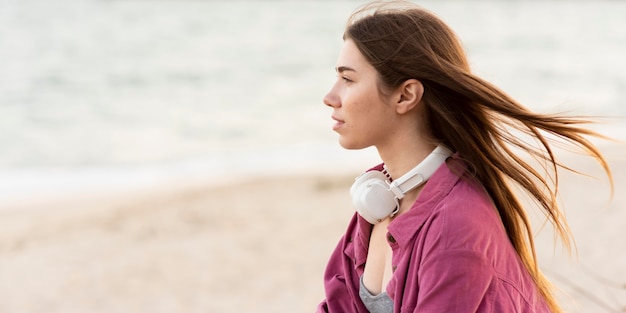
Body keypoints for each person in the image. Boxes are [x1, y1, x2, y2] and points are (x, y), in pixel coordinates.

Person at [318, 1, 613, 313]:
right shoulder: (378, 203)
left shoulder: (455, 223)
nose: (330, 97)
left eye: (347, 79)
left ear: (406, 96)